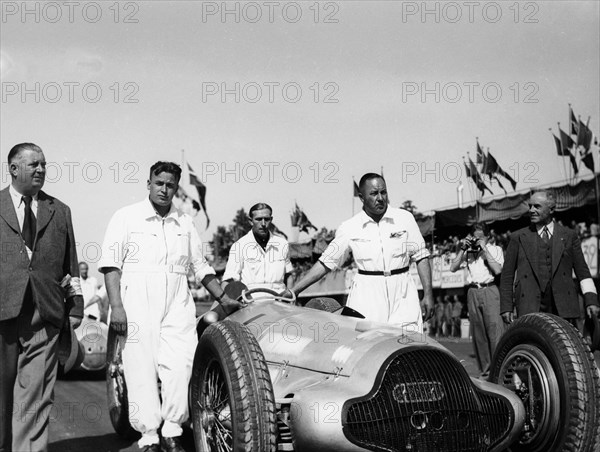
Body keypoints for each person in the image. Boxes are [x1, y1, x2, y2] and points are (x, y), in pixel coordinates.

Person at [98, 161, 242, 452]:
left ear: (177, 188)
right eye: (159, 183)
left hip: (177, 297)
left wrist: (223, 297)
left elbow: (200, 267)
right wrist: (117, 307)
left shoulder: (184, 221)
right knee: (140, 365)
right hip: (137, 294)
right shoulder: (126, 216)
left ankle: (173, 428)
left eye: (170, 185)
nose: (164, 189)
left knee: (182, 363)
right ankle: (149, 434)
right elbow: (111, 265)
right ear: (149, 183)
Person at [0, 143, 83, 452]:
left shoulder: (60, 211)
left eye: (44, 165)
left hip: (44, 316)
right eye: (34, 164)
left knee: (34, 399)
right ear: (13, 169)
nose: (41, 169)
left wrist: (75, 308)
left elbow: (71, 266)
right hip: (2, 317)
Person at [291, 173, 434, 332]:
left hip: (403, 293)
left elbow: (421, 256)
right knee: (369, 346)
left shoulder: (405, 218)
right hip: (367, 295)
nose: (380, 198)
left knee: (410, 346)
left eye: (383, 192)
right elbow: (326, 262)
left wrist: (428, 294)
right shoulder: (350, 227)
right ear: (362, 197)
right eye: (373, 193)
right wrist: (294, 290)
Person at [500, 190, 600, 326]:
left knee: (564, 345)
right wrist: (506, 307)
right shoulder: (517, 237)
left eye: (537, 206)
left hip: (563, 305)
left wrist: (591, 300)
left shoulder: (569, 236)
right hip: (529, 304)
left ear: (552, 209)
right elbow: (507, 275)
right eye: (530, 206)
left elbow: (583, 272)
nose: (531, 210)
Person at [450, 223, 504, 377]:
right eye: (475, 237)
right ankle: (485, 372)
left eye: (480, 238)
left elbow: (497, 270)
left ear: (488, 237)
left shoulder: (495, 249)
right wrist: (462, 249)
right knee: (479, 334)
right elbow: (453, 268)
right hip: (473, 291)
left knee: (495, 332)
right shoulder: (468, 252)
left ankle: (499, 370)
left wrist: (484, 248)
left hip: (490, 289)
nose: (477, 241)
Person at [222, 203, 293, 292]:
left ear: (271, 219)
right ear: (250, 221)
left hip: (279, 300)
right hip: (252, 301)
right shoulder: (239, 246)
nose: (263, 223)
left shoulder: (282, 244)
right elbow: (229, 280)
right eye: (258, 219)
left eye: (266, 219)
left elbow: (288, 276)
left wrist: (290, 298)